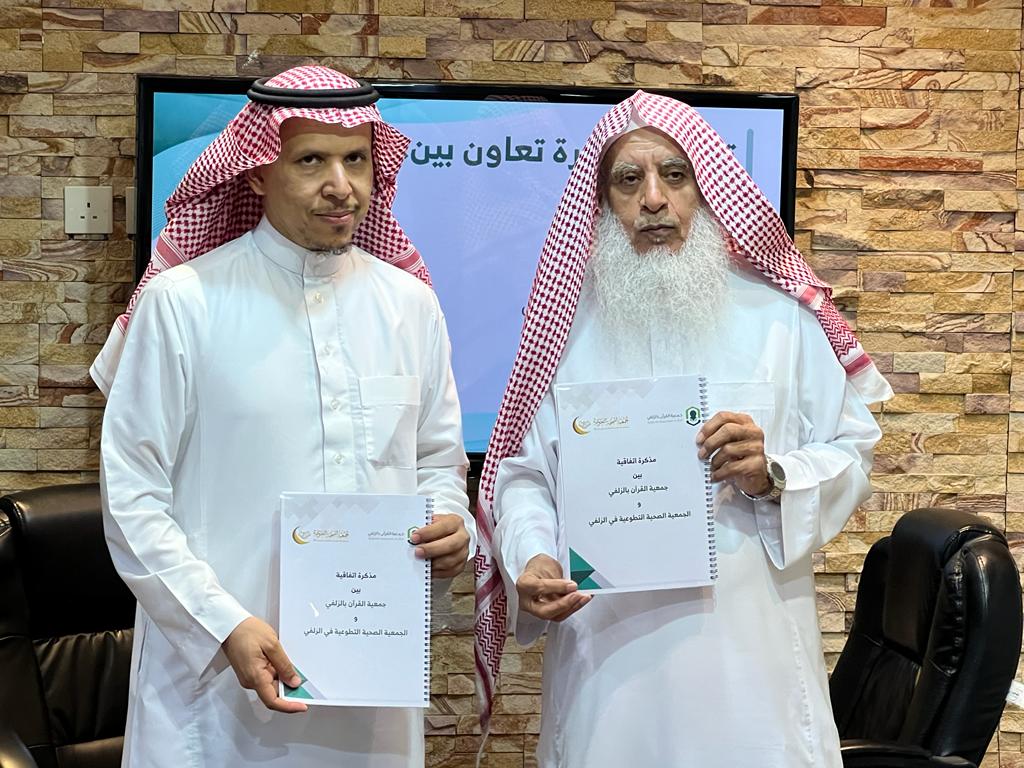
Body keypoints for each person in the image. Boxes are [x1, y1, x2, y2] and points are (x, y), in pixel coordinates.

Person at [473, 91, 893, 767]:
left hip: (747, 664)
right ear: (602, 201)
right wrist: (532, 557)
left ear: (707, 189)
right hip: (605, 661)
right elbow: (523, 476)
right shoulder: (565, 331)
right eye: (628, 180)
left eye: (675, 175)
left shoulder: (780, 321)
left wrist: (773, 475)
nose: (653, 199)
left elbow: (851, 452)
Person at [93, 66, 473, 768]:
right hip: (215, 696)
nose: (341, 185)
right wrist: (223, 624)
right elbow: (132, 496)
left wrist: (454, 525)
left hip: (370, 693)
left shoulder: (409, 305)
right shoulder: (184, 303)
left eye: (356, 159)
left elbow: (436, 461)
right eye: (311, 161)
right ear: (258, 172)